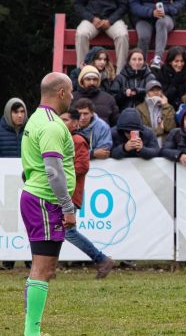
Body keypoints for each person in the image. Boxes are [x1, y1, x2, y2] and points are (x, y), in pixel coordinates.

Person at [19, 72, 76, 336]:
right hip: (46, 201)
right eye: (71, 91)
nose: (73, 97)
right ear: (62, 92)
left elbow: (32, 163)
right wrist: (67, 206)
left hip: (37, 198)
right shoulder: (53, 125)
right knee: (44, 268)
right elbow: (53, 171)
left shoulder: (36, 118)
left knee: (42, 268)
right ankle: (31, 332)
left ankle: (32, 330)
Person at [59, 109, 115, 279]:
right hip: (63, 192)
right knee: (56, 231)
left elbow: (83, 166)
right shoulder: (65, 139)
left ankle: (101, 259)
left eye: (66, 119)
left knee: (67, 232)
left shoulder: (77, 140)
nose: (61, 122)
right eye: (60, 119)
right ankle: (47, 267)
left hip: (70, 193)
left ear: (75, 123)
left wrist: (57, 174)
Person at [74, 0, 129, 72]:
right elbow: (78, 4)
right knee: (82, 34)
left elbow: (124, 5)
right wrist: (91, 18)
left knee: (122, 35)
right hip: (92, 19)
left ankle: (120, 76)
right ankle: (82, 73)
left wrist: (110, 20)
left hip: (112, 20)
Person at [129, 0, 185, 69]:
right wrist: (150, 12)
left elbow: (180, 0)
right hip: (144, 18)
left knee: (161, 23)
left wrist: (167, 9)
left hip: (165, 17)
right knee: (143, 36)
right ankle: (141, 65)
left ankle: (157, 59)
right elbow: (134, 4)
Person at [0, 98, 28, 270]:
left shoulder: (31, 130)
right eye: (15, 112)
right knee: (9, 218)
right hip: (5, 183)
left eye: (22, 112)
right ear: (8, 113)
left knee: (28, 217)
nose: (19, 115)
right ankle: (8, 259)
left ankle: (29, 258)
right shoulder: (0, 130)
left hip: (27, 181)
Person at [136, 80, 176, 146]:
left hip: (164, 146)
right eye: (152, 90)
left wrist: (165, 106)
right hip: (147, 146)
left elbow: (170, 128)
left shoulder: (169, 107)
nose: (155, 92)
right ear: (147, 93)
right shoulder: (139, 109)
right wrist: (159, 130)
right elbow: (142, 132)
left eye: (158, 90)